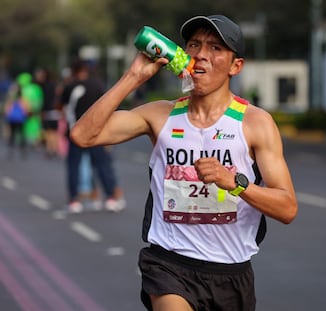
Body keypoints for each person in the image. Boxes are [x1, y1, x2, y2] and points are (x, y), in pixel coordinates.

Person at [71, 15, 297, 311]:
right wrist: (134, 77)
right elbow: (83, 135)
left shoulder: (255, 123)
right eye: (194, 45)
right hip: (169, 264)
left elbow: (287, 207)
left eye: (216, 48)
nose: (201, 54)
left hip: (231, 272)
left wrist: (235, 183)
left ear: (235, 66)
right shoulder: (160, 115)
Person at [61, 59, 125, 213]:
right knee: (102, 166)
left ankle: (74, 200)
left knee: (74, 167)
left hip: (75, 133)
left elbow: (63, 108)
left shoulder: (69, 87)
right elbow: (107, 109)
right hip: (96, 133)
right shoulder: (97, 85)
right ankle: (110, 197)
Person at [3, 84, 30, 158]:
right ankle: (22, 151)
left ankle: (11, 151)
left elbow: (7, 109)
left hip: (12, 119)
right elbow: (26, 109)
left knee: (12, 134)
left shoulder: (11, 99)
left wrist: (7, 115)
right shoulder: (22, 99)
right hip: (20, 119)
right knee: (21, 134)